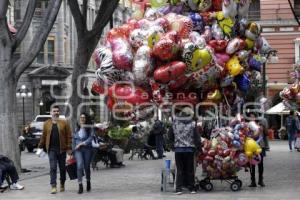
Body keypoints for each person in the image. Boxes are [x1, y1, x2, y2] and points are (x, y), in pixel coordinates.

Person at [38, 106, 72, 194]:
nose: (56, 113)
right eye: (54, 111)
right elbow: (44, 136)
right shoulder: (46, 123)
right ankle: (53, 186)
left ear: (59, 112)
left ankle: (62, 183)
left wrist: (69, 147)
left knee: (62, 168)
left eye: (57, 111)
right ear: (50, 113)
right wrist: (40, 146)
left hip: (62, 150)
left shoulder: (64, 123)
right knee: (53, 167)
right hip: (51, 150)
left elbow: (69, 136)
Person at [168, 107, 200, 195]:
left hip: (178, 149)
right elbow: (197, 138)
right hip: (190, 149)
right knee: (190, 169)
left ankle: (178, 189)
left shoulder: (174, 123)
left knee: (180, 169)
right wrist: (198, 148)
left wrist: (172, 146)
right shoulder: (193, 124)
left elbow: (170, 136)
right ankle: (192, 188)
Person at [72, 113, 94, 194]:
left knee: (87, 167)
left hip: (87, 149)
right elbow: (73, 138)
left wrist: (82, 143)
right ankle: (80, 185)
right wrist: (72, 150)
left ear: (86, 119)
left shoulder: (89, 127)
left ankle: (88, 181)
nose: (82, 119)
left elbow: (91, 137)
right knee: (79, 166)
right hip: (78, 150)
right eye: (81, 117)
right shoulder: (76, 127)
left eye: (84, 117)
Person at [248, 113, 269, 187]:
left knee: (260, 164)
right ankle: (253, 181)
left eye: (253, 117)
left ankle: (261, 180)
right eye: (250, 117)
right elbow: (249, 136)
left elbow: (266, 134)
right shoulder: (248, 127)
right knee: (252, 164)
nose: (251, 118)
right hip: (251, 147)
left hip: (260, 146)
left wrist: (263, 128)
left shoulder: (260, 124)